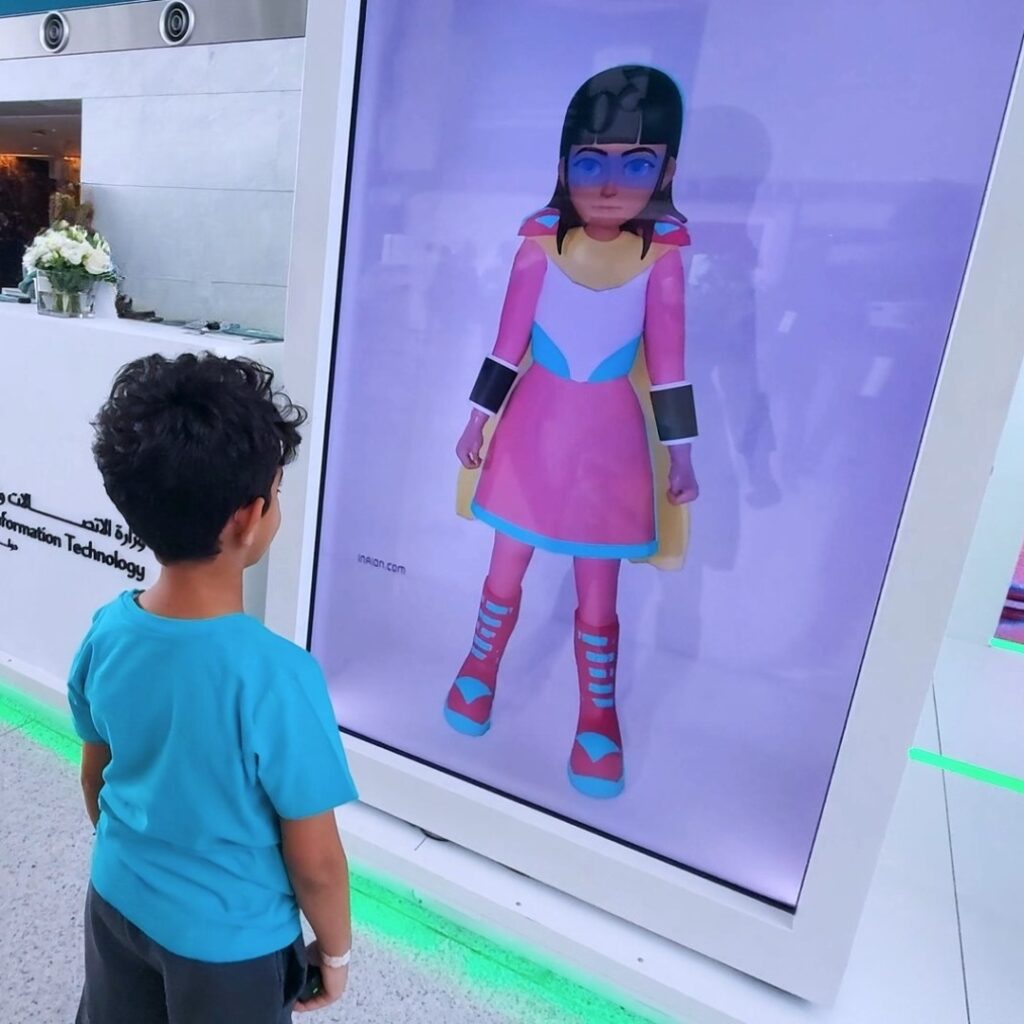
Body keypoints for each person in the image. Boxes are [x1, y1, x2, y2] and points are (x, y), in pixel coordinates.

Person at [69, 353, 357, 1023]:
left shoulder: (107, 632)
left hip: (115, 900)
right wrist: (335, 954)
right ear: (249, 517)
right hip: (232, 947)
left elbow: (96, 779)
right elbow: (314, 859)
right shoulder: (280, 677)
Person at [448, 66, 700, 800]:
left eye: (637, 163)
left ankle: (598, 712)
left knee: (599, 588)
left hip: (610, 445)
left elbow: (670, 367)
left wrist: (681, 452)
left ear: (667, 169)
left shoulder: (664, 259)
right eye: (592, 162)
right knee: (505, 566)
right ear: (564, 167)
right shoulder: (539, 245)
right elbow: (506, 341)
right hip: (534, 432)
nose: (611, 183)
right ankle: (479, 668)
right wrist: (477, 416)